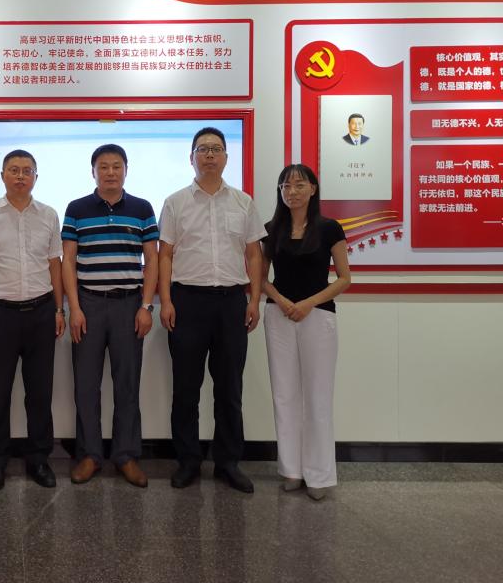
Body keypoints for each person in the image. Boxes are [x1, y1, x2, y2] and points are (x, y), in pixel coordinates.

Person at [159, 127, 266, 494]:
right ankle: (188, 461)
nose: (209, 155)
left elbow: (254, 254)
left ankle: (228, 462)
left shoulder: (243, 202)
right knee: (186, 389)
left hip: (231, 303)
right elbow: (165, 255)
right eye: (202, 149)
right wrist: (166, 301)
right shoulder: (175, 202)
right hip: (187, 302)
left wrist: (254, 300)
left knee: (230, 388)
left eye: (216, 149)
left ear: (226, 158)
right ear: (191, 158)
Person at [62, 143, 158, 488]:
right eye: (103, 167)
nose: (110, 172)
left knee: (127, 384)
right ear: (93, 172)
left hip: (129, 306)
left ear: (126, 170)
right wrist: (74, 308)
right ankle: (89, 455)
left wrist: (146, 307)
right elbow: (68, 261)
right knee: (86, 385)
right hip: (88, 304)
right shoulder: (76, 209)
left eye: (117, 166)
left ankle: (126, 455)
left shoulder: (142, 209)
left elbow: (152, 260)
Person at [0, 150, 65, 491]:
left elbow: (54, 264)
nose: (21, 176)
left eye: (27, 171)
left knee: (40, 392)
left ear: (36, 177)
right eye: (14, 170)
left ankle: (38, 458)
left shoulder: (49, 214)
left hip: (41, 312)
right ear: (3, 175)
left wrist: (59, 309)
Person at [262, 164, 350, 501]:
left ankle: (319, 475)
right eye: (286, 185)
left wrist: (308, 303)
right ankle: (291, 470)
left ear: (313, 189)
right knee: (284, 394)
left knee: (317, 396)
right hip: (279, 315)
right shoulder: (271, 229)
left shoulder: (329, 228)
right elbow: (260, 279)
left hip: (318, 317)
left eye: (300, 185)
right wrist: (283, 301)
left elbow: (344, 278)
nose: (292, 191)